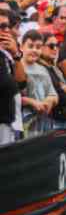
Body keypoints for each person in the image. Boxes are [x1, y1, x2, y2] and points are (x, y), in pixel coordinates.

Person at [19, 31, 58, 137]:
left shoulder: (43, 70)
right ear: (22, 47)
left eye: (38, 47)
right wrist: (31, 102)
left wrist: (50, 100)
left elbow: (53, 94)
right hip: (23, 122)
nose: (34, 50)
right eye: (30, 46)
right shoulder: (17, 67)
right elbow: (12, 97)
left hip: (43, 122)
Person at [0, 8, 26, 145]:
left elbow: (21, 84)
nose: (6, 30)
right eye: (2, 26)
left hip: (11, 124)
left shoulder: (6, 54)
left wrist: (16, 55)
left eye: (7, 26)